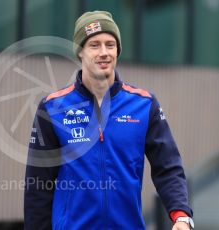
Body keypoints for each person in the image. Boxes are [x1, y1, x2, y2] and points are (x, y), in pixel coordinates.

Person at [24, 10, 194, 230]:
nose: (104, 52)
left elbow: (168, 167)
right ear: (80, 52)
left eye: (110, 44)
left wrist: (181, 216)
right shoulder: (52, 108)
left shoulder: (144, 104)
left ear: (118, 51)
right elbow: (38, 187)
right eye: (94, 45)